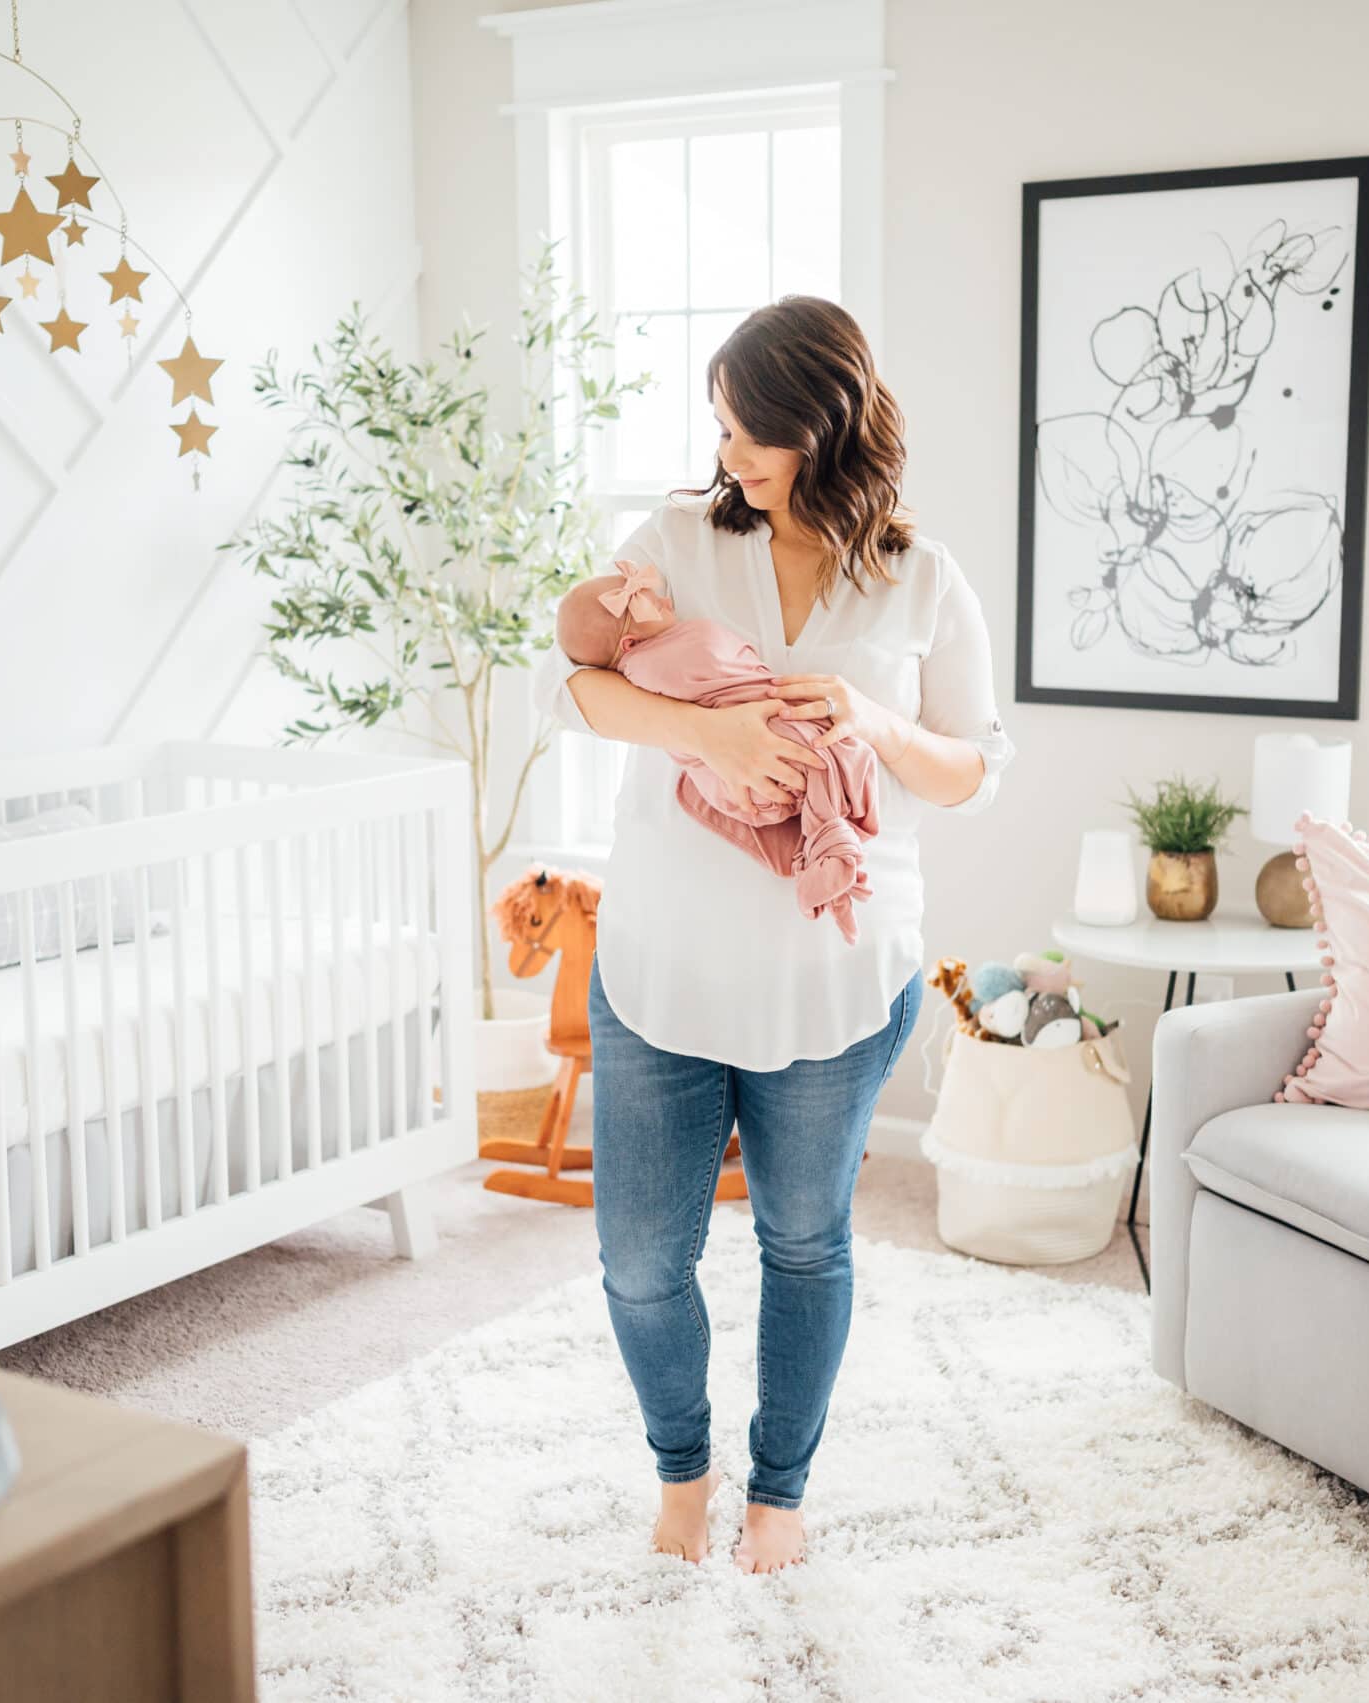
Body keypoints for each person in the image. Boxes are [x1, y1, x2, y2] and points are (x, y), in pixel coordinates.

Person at [531, 295, 1014, 1573]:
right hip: (661, 964)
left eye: (752, 430)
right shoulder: (676, 541)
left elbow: (972, 767)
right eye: (722, 427)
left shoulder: (919, 576)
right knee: (640, 1260)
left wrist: (867, 721)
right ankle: (682, 1466)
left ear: (825, 423)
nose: (729, 452)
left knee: (804, 1242)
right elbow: (574, 682)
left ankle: (779, 1486)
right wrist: (706, 732)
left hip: (838, 975)